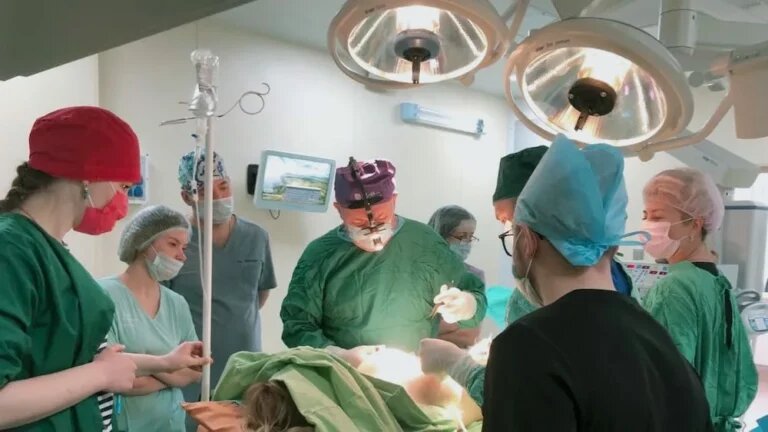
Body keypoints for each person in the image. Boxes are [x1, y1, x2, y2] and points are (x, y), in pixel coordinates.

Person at [0, 106, 209, 431]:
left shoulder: (49, 250)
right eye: (123, 187)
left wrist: (165, 362)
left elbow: (76, 362)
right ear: (88, 175)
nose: (123, 202)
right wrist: (100, 375)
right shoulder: (11, 249)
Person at [486, 135, 712, 430]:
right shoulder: (661, 343)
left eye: (512, 232)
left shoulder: (525, 346)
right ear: (613, 245)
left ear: (527, 240)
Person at [419, 144, 634, 407]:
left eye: (511, 220)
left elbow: (524, 399)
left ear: (539, 214)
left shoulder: (535, 308)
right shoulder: (620, 290)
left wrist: (460, 365)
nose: (510, 231)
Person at [280, 157, 487, 365]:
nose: (373, 230)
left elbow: (474, 296)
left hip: (411, 374)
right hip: (342, 376)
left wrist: (466, 304)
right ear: (339, 209)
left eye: (381, 219)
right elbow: (297, 325)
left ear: (394, 201)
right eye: (359, 223)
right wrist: (339, 356)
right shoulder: (320, 255)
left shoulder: (426, 244)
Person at [641, 168, 758, 431]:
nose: (647, 226)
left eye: (657, 217)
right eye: (645, 216)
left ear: (695, 223)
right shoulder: (717, 280)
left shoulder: (674, 287)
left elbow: (664, 383)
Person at [169, 151, 277, 405]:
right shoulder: (175, 242)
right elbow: (160, 306)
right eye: (205, 191)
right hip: (191, 367)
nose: (218, 197)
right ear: (187, 197)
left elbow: (260, 294)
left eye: (224, 186)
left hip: (245, 364)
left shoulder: (256, 237)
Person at [100, 205, 203, 432]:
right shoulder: (103, 295)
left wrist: (142, 364)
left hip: (172, 423)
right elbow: (112, 374)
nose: (182, 255)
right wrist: (171, 368)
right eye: (173, 244)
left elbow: (194, 370)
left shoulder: (176, 303)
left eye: (184, 247)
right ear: (145, 242)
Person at [427, 205, 485, 348]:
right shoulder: (421, 271)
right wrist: (451, 327)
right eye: (461, 237)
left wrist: (432, 329)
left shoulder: (474, 276)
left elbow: (469, 336)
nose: (467, 243)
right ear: (441, 235)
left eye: (470, 237)